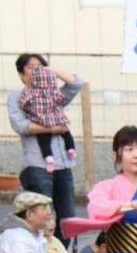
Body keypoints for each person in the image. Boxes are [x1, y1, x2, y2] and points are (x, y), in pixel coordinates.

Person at [7, 54, 82, 240]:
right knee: (40, 218)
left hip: (63, 166)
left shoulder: (54, 95)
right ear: (21, 75)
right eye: (32, 68)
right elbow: (22, 125)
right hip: (37, 166)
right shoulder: (18, 96)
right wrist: (54, 127)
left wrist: (51, 71)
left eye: (41, 66)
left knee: (67, 218)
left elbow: (76, 83)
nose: (37, 71)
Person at [19, 65, 77, 173]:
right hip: (56, 118)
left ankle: (49, 157)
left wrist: (28, 109)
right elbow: (60, 99)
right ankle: (71, 149)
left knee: (44, 140)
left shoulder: (30, 92)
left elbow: (23, 103)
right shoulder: (53, 91)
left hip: (41, 120)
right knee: (66, 132)